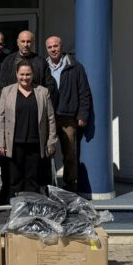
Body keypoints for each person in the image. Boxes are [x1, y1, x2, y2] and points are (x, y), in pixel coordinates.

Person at [0, 61, 58, 196]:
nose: (25, 77)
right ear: (16, 74)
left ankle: (31, 204)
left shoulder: (43, 92)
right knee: (15, 179)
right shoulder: (7, 91)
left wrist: (51, 141)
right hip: (14, 143)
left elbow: (50, 118)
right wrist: (0, 142)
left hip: (35, 143)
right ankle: (16, 204)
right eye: (22, 74)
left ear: (33, 74)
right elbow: (0, 118)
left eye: (28, 74)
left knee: (33, 178)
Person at [45, 35, 93, 192]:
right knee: (47, 152)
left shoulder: (75, 66)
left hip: (68, 117)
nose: (53, 49)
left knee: (70, 153)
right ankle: (49, 183)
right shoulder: (43, 66)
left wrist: (82, 115)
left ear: (61, 46)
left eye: (56, 46)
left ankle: (70, 184)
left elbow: (84, 92)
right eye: (50, 47)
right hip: (48, 117)